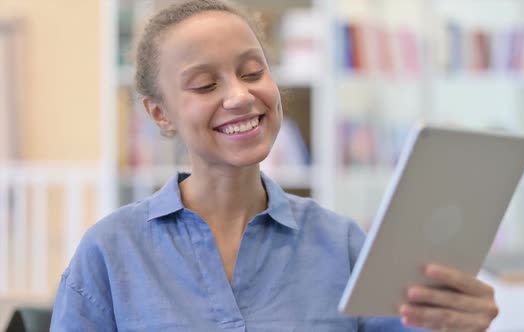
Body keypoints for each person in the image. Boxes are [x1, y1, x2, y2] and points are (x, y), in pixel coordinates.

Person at [50, 0, 499, 331]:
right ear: (160, 114)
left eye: (252, 72)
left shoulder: (341, 244)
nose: (240, 96)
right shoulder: (109, 252)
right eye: (205, 85)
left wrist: (457, 325)